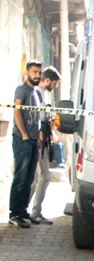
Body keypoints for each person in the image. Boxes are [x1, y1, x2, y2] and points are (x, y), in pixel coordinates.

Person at [9, 60, 43, 228]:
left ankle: (22, 211)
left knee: (29, 178)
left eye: (39, 72)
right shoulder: (21, 90)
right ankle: (14, 214)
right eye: (34, 72)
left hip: (34, 141)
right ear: (27, 72)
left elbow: (37, 117)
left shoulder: (36, 93)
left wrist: (39, 135)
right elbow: (17, 112)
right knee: (21, 178)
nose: (37, 75)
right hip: (22, 140)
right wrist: (24, 134)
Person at [29, 66, 62, 225]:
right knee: (43, 176)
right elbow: (33, 117)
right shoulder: (36, 93)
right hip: (38, 139)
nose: (55, 87)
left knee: (37, 177)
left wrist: (53, 133)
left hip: (44, 138)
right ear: (48, 80)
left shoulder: (45, 94)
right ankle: (33, 212)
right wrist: (39, 134)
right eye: (54, 83)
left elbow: (47, 117)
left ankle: (24, 211)